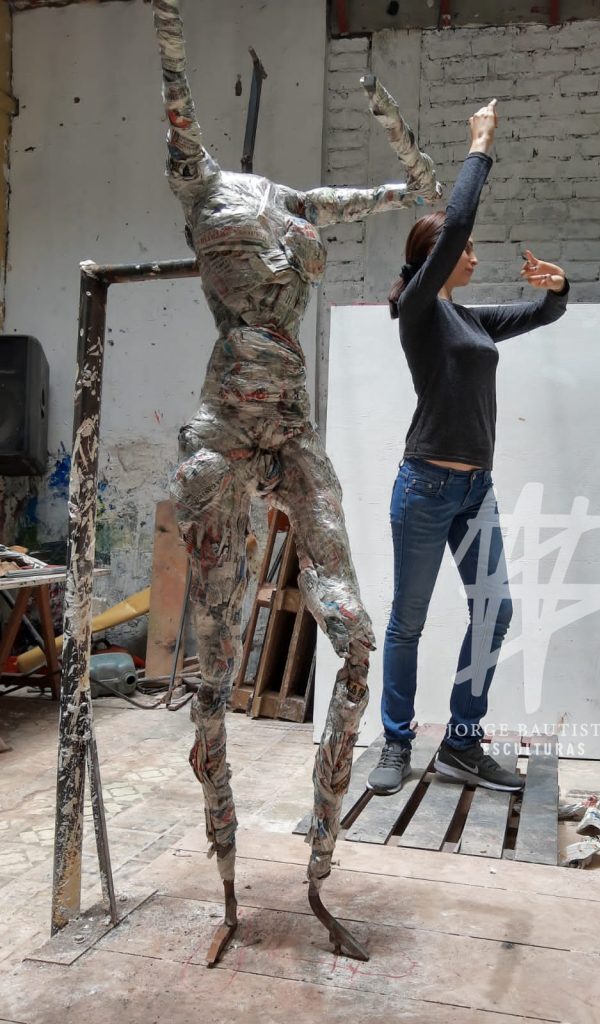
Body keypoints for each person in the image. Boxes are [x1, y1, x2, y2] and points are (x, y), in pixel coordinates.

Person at [151, 0, 441, 950]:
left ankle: (319, 863)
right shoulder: (202, 186)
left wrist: (413, 172)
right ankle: (229, 882)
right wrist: (166, 28)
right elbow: (178, 100)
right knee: (214, 664)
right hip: (227, 430)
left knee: (353, 639)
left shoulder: (294, 202)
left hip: (294, 431)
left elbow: (392, 197)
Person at [367, 99, 569, 796]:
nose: (475, 256)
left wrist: (558, 289)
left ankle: (460, 742)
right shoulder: (419, 311)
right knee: (409, 622)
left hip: (474, 490)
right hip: (424, 487)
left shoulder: (470, 319)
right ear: (437, 259)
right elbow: (454, 225)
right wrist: (481, 146)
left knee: (495, 609)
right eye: (467, 250)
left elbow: (542, 313)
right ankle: (396, 742)